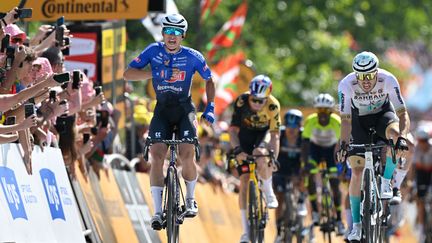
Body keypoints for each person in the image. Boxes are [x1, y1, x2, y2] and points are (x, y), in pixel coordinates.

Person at [123, 13, 216, 230]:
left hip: (185, 110)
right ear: (163, 33)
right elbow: (128, 74)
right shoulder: (153, 51)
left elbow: (209, 80)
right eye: (168, 31)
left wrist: (210, 107)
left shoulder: (193, 56)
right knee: (156, 156)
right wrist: (154, 73)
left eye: (177, 33)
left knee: (186, 154)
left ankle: (191, 199)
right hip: (162, 110)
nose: (172, 36)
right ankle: (157, 211)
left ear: (183, 35)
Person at [337, 51, 410, 242]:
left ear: (377, 72)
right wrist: (343, 143)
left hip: (383, 116)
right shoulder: (346, 84)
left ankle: (387, 181)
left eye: (370, 75)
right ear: (355, 74)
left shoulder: (388, 79)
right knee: (357, 171)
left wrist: (401, 137)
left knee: (393, 139)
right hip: (357, 121)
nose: (366, 80)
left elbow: (402, 113)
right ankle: (357, 226)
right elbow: (345, 121)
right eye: (361, 76)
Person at [228, 74, 280, 243]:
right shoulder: (241, 102)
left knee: (261, 154)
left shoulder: (273, 106)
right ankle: (245, 231)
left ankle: (268, 190)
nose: (257, 104)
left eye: (260, 101)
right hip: (244, 135)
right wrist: (237, 150)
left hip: (263, 134)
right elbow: (233, 130)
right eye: (254, 100)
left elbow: (275, 136)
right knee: (243, 182)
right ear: (249, 95)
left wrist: (273, 158)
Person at [301, 93, 345, 235]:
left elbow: (341, 143)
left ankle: (338, 219)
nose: (323, 113)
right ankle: (314, 211)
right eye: (320, 110)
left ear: (331, 111)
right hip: (315, 149)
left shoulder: (336, 121)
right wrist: (305, 163)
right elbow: (305, 143)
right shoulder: (311, 120)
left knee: (334, 183)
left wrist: (341, 163)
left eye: (326, 110)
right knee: (311, 176)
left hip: (331, 150)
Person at [273, 109, 307, 242]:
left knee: (304, 180)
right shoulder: (279, 135)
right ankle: (278, 230)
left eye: (295, 127)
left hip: (297, 168)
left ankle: (301, 202)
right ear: (284, 126)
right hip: (281, 168)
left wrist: (302, 174)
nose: (291, 130)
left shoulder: (304, 137)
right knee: (280, 198)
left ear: (300, 127)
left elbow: (307, 157)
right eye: (289, 127)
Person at [412, 124, 432, 242]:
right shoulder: (416, 149)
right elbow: (412, 170)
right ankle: (420, 232)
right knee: (420, 201)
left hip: (430, 174)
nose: (423, 143)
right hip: (420, 175)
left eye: (425, 141)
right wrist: (410, 184)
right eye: (421, 141)